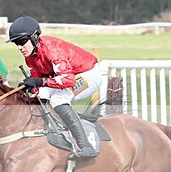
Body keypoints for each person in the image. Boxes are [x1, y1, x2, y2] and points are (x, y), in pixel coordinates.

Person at [7, 15, 102, 159]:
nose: (20, 47)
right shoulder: (30, 56)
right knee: (42, 95)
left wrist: (39, 83)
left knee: (59, 98)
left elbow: (68, 80)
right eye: (16, 44)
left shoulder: (53, 51)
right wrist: (31, 87)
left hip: (89, 74)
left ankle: (86, 146)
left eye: (22, 42)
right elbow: (39, 83)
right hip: (71, 76)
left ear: (34, 37)